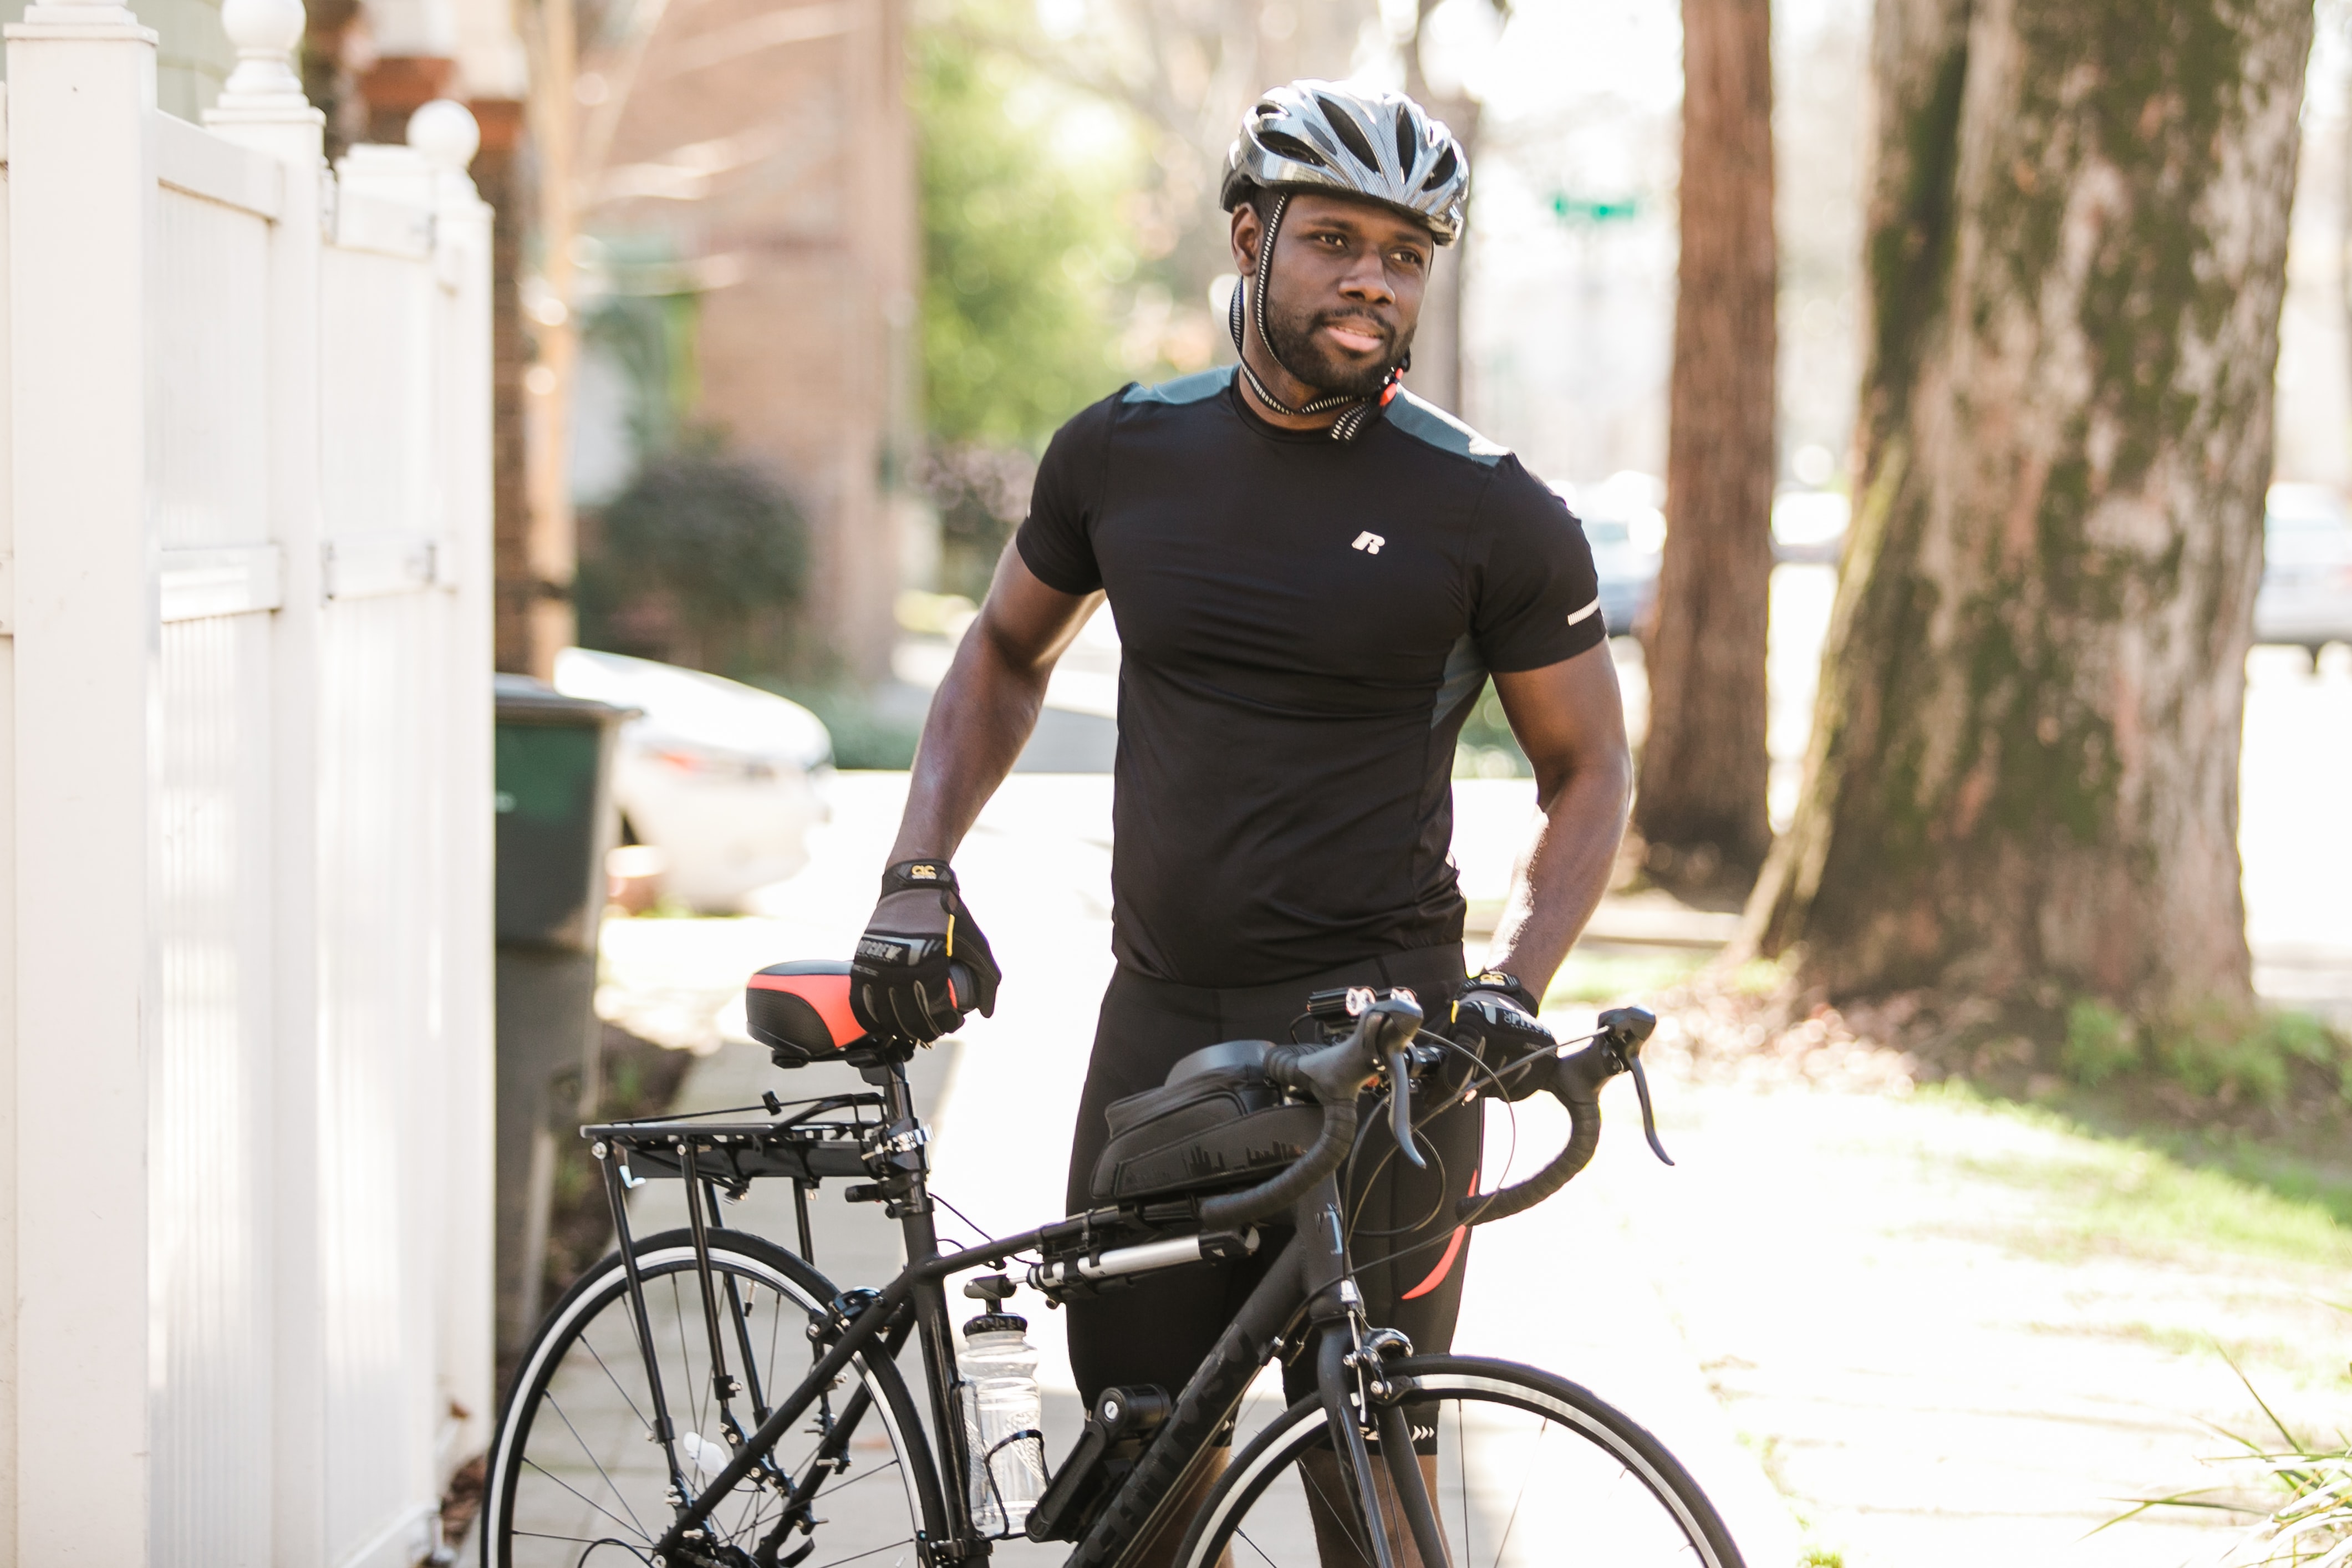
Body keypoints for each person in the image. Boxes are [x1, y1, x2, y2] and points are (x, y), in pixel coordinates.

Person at [848, 80, 1633, 1560]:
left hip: (1396, 1053)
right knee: (1144, 1457)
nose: (1370, 280)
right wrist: (915, 868)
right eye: (1334, 239)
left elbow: (1588, 769)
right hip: (1163, 1031)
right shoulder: (1122, 452)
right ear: (1247, 237)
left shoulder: (1490, 509)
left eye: (1404, 256)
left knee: (1373, 1459)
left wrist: (1513, 986)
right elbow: (1002, 653)